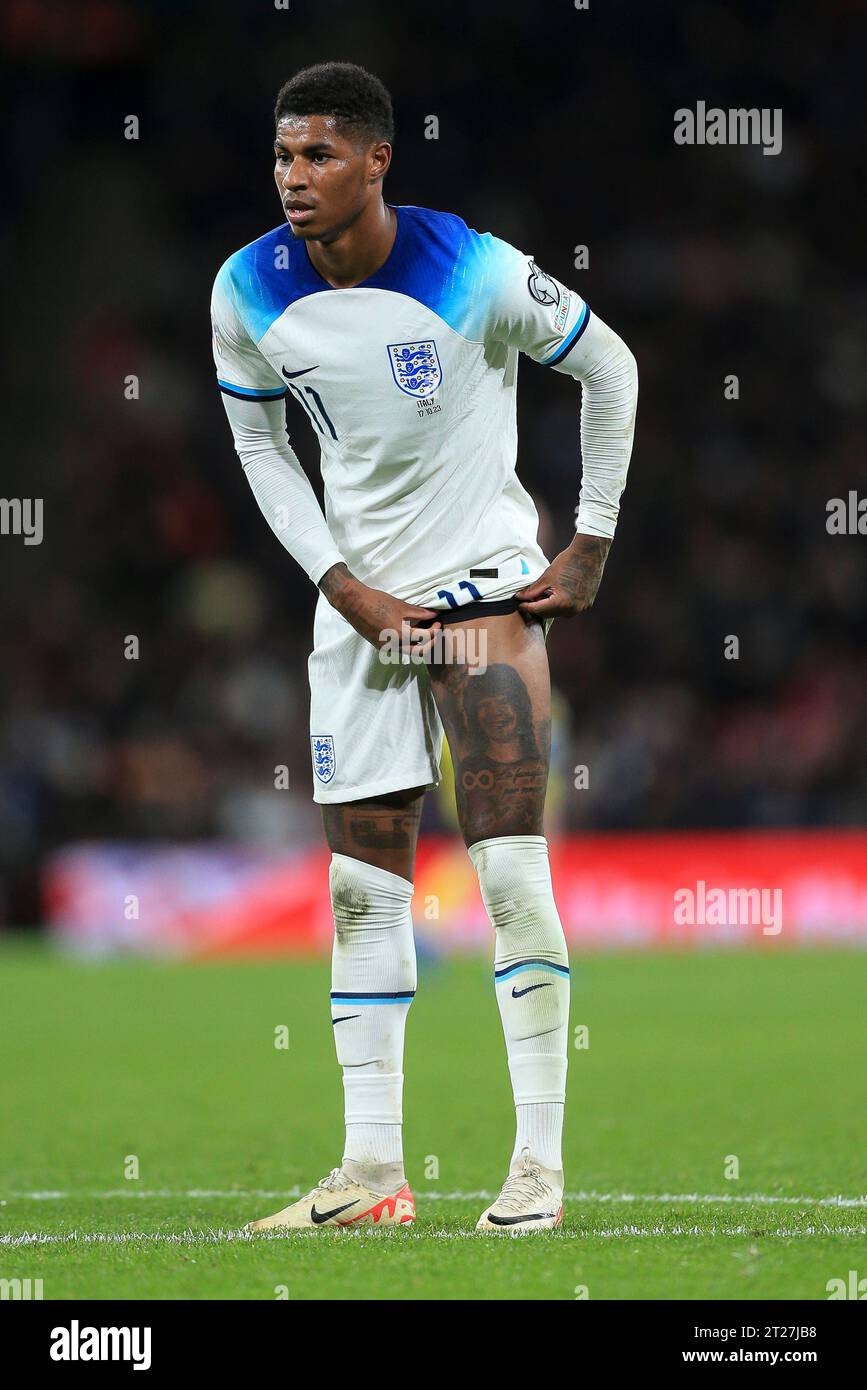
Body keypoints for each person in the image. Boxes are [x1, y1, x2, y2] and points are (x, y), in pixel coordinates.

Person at [210, 60, 638, 1233]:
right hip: (356, 617)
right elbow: (260, 452)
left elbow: (612, 365)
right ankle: (369, 1175)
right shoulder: (246, 288)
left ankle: (539, 1172)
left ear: (378, 160)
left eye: (322, 155)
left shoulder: (476, 269)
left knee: (508, 877)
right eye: (285, 156)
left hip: (482, 603)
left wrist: (590, 541)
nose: (296, 178)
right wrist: (338, 583)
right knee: (361, 895)